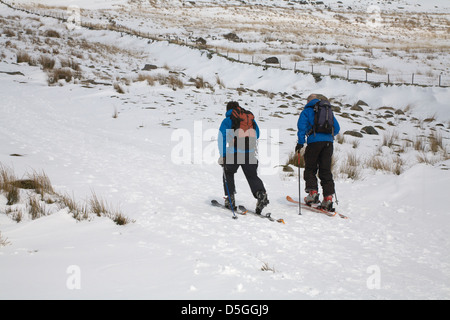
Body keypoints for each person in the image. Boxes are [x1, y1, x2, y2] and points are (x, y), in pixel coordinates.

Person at [218, 101, 269, 214]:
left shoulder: (228, 120)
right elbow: (258, 134)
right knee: (252, 176)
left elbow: (222, 138)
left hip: (234, 153)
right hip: (249, 153)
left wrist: (223, 156)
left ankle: (230, 198)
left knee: (228, 173)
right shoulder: (249, 118)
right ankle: (261, 194)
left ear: (227, 110)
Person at [296, 94, 340, 211]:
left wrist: (301, 142)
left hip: (314, 143)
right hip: (328, 144)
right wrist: (327, 136)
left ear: (308, 101)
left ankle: (313, 194)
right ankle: (328, 199)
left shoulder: (307, 111)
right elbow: (337, 128)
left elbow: (301, 128)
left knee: (310, 168)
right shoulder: (327, 110)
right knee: (325, 170)